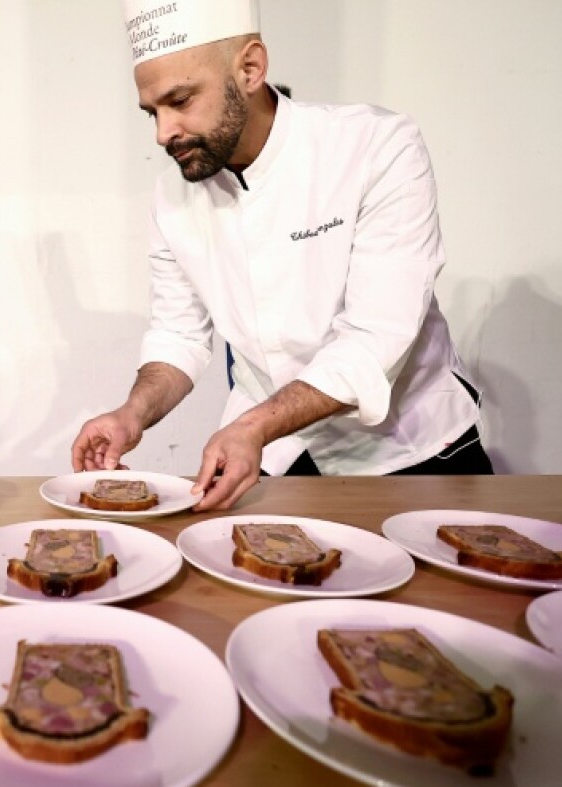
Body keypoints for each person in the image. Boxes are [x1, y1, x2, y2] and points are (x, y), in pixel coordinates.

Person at [71, 0, 493, 511]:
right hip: (278, 453)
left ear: (250, 68)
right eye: (152, 111)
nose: (164, 132)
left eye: (180, 100)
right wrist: (131, 414)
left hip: (413, 451)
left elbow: (376, 336)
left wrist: (252, 426)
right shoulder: (173, 196)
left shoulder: (376, 145)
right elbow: (179, 335)